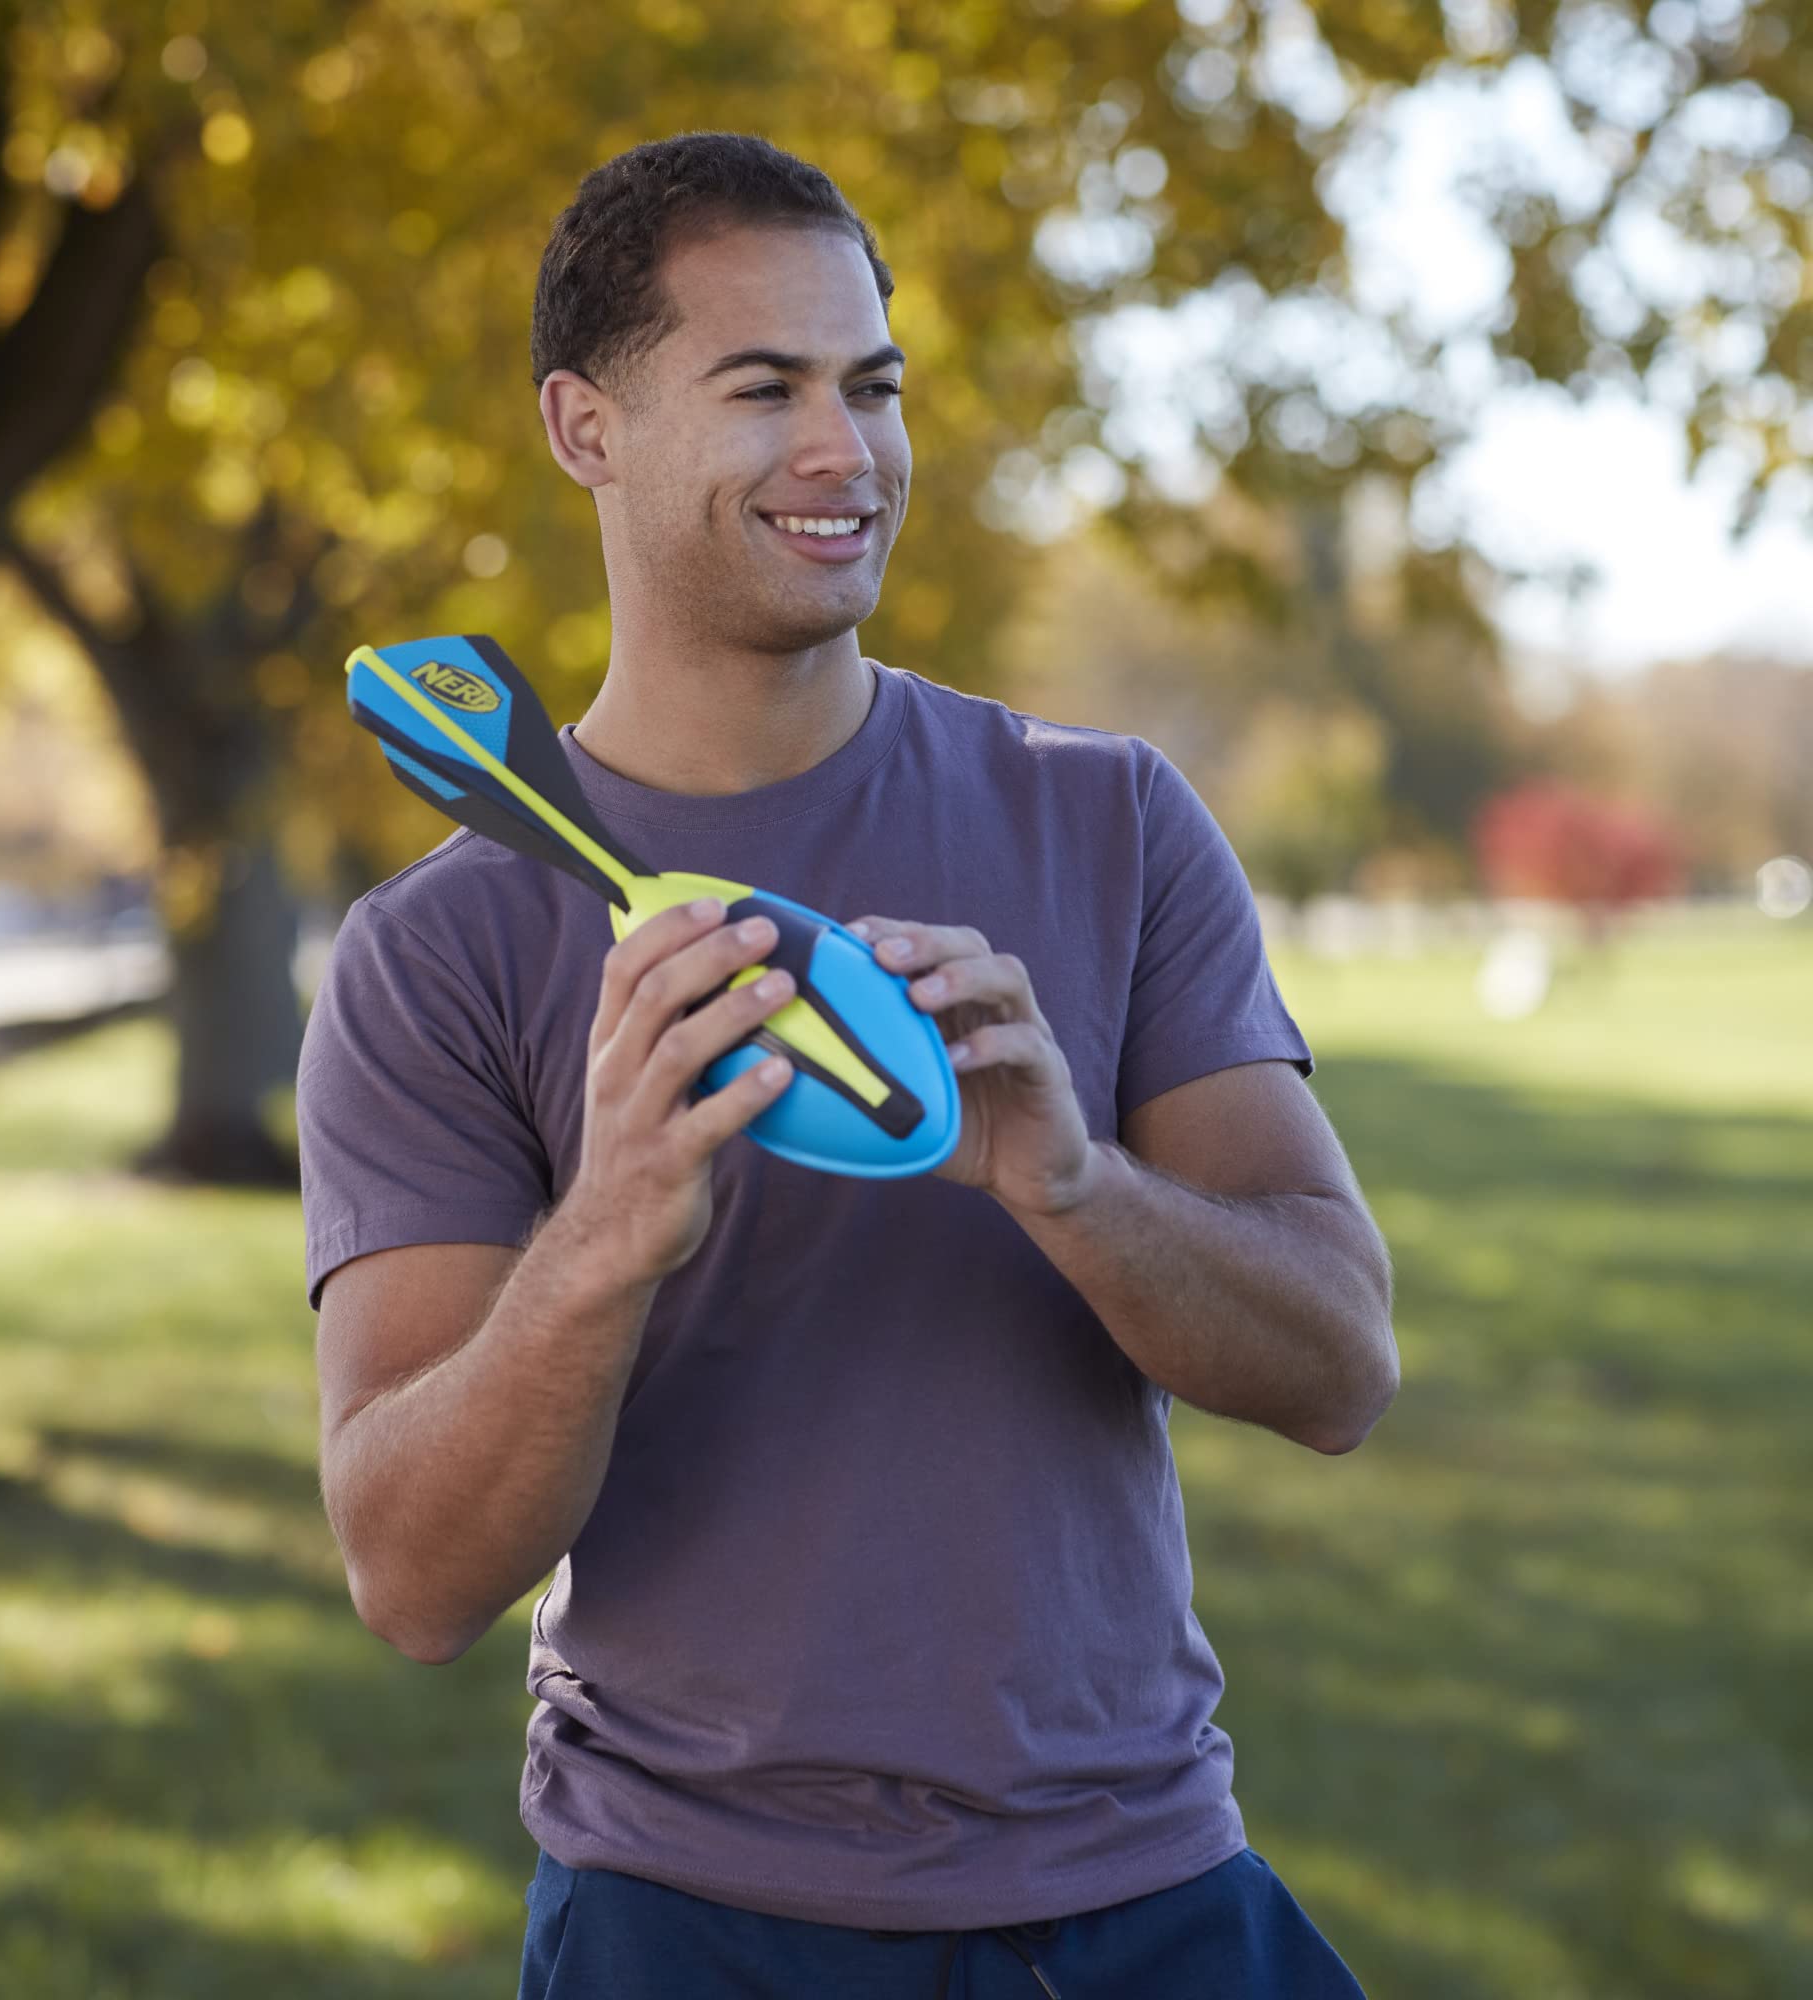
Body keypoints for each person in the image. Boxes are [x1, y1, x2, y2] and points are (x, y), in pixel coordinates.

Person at [297, 131, 1397, 1999]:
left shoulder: (1109, 821)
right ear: (587, 429)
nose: (847, 451)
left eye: (872, 386)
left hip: (1149, 1898)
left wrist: (1071, 1185)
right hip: (691, 1927)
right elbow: (412, 1579)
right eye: (766, 388)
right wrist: (611, 1229)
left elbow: (1340, 1368)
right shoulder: (446, 949)